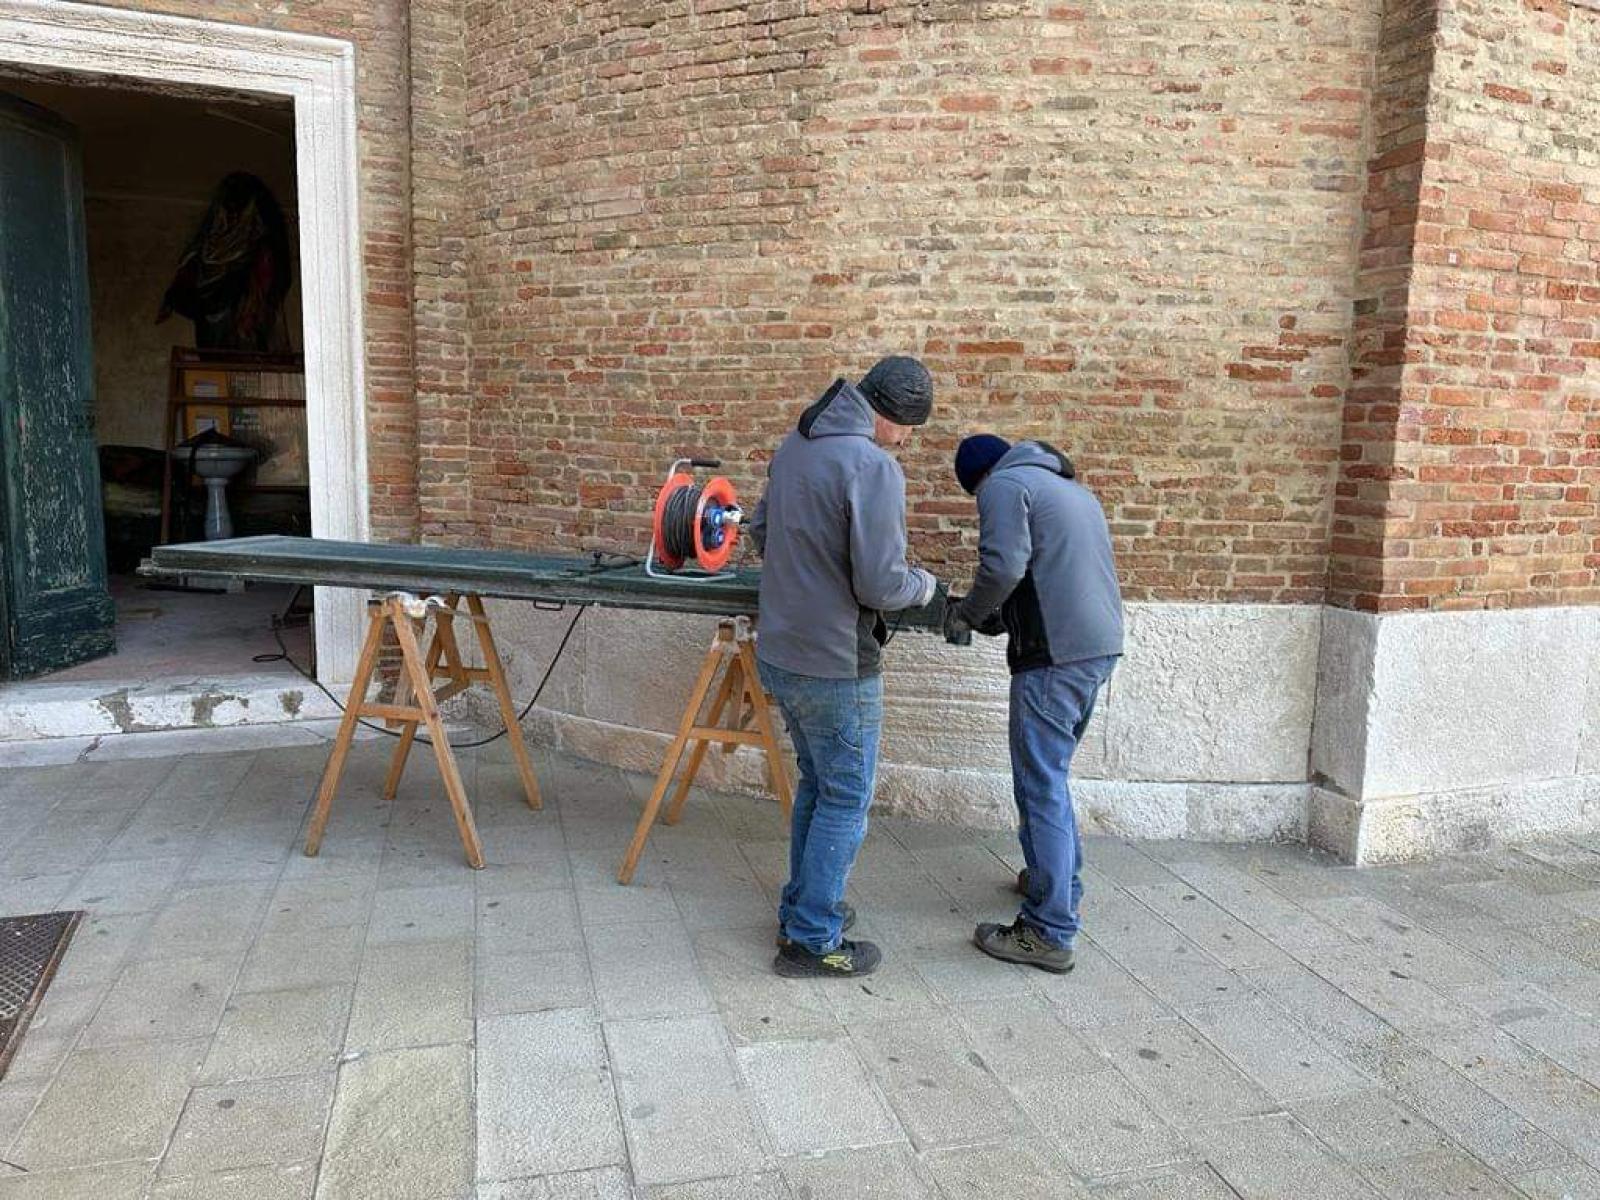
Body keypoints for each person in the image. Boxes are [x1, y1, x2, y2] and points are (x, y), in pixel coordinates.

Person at [747, 356, 939, 978]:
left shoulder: (796, 443)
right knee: (846, 797)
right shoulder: (872, 465)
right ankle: (811, 939)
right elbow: (882, 583)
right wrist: (926, 587)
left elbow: (760, 531)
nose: (908, 442)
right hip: (836, 662)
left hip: (780, 649)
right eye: (909, 430)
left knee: (817, 784)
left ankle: (800, 909)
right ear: (891, 418)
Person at [943, 434, 1123, 973]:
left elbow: (1003, 568)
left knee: (1039, 784)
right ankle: (1056, 879)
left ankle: (1047, 930)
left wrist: (970, 614)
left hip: (1055, 655)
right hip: (1098, 645)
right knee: (1053, 775)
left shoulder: (1003, 485)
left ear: (977, 479)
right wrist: (1001, 617)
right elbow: (1045, 575)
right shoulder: (1066, 488)